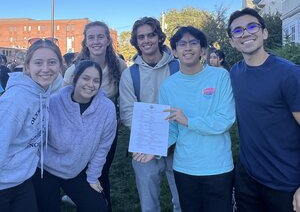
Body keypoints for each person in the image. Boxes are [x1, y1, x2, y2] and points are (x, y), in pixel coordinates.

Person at [227, 7, 300, 212]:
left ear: (264, 33)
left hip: (285, 181)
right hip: (248, 176)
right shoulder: (235, 72)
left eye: (252, 26)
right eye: (238, 30)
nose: (246, 33)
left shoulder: (289, 74)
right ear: (232, 41)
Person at [157, 26, 235, 212]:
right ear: (174, 52)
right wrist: (152, 149)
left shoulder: (220, 76)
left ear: (203, 50)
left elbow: (225, 119)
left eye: (193, 43)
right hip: (184, 168)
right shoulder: (168, 86)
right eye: (181, 44)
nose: (188, 48)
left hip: (218, 166)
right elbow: (171, 130)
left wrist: (189, 121)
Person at [33, 60, 116, 212]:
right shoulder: (53, 103)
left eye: (96, 80)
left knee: (97, 207)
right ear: (74, 79)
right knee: (47, 208)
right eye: (85, 78)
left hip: (75, 170)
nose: (90, 84)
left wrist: (92, 176)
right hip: (46, 169)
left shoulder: (107, 109)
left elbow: (103, 147)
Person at [119, 16, 181, 212]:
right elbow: (127, 112)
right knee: (149, 203)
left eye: (151, 35)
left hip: (178, 144)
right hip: (144, 145)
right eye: (141, 37)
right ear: (136, 42)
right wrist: (151, 140)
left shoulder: (178, 67)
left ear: (159, 37)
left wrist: (168, 139)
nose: (146, 40)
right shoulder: (130, 74)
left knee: (183, 199)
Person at [63, 21, 126, 211]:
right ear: (86, 42)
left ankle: (103, 206)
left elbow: (127, 92)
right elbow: (63, 101)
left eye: (100, 36)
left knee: (101, 173)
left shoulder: (119, 65)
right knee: (82, 174)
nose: (96, 41)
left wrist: (122, 114)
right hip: (79, 131)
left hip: (107, 130)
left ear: (108, 40)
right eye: (91, 37)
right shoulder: (75, 68)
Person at [0, 39, 62, 212]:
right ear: (27, 67)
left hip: (22, 180)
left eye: (52, 62)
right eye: (38, 63)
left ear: (59, 65)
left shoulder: (42, 91)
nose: (45, 69)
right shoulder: (15, 100)